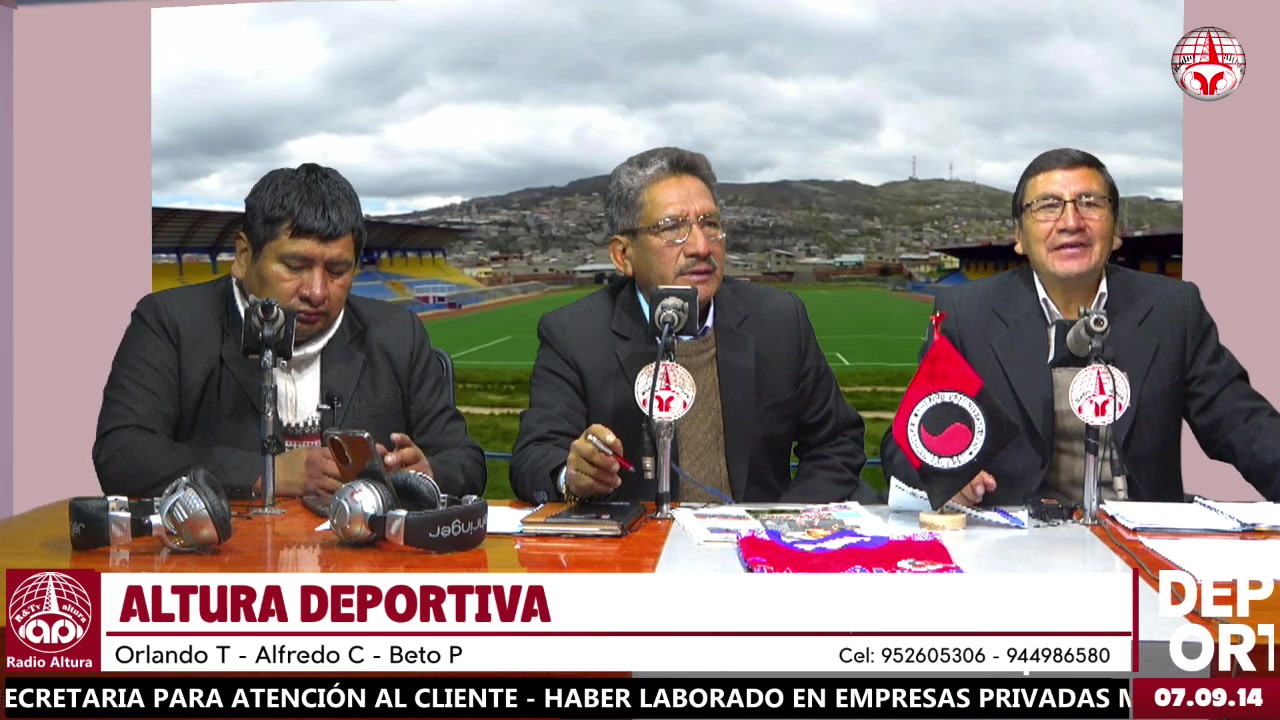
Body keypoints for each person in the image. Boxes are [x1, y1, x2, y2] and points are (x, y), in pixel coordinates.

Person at [881, 148, 1280, 506]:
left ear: (1116, 230)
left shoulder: (1174, 309)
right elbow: (906, 444)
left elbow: (1245, 425)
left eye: (1090, 203)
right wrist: (944, 474)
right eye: (1047, 206)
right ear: (1019, 236)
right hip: (1014, 546)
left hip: (1140, 550)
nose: (1071, 221)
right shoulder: (967, 314)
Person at [94, 163, 486, 500]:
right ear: (244, 256)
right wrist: (266, 473)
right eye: (295, 266)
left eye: (338, 271)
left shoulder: (399, 333)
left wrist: (425, 473)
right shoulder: (170, 323)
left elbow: (466, 461)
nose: (316, 292)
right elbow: (121, 453)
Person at [511, 146, 871, 506]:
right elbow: (534, 456)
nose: (701, 246)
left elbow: (837, 442)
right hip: (639, 540)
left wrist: (782, 522)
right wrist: (571, 476)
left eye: (710, 224)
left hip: (757, 538)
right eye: (672, 228)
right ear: (623, 255)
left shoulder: (779, 320)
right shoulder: (573, 335)